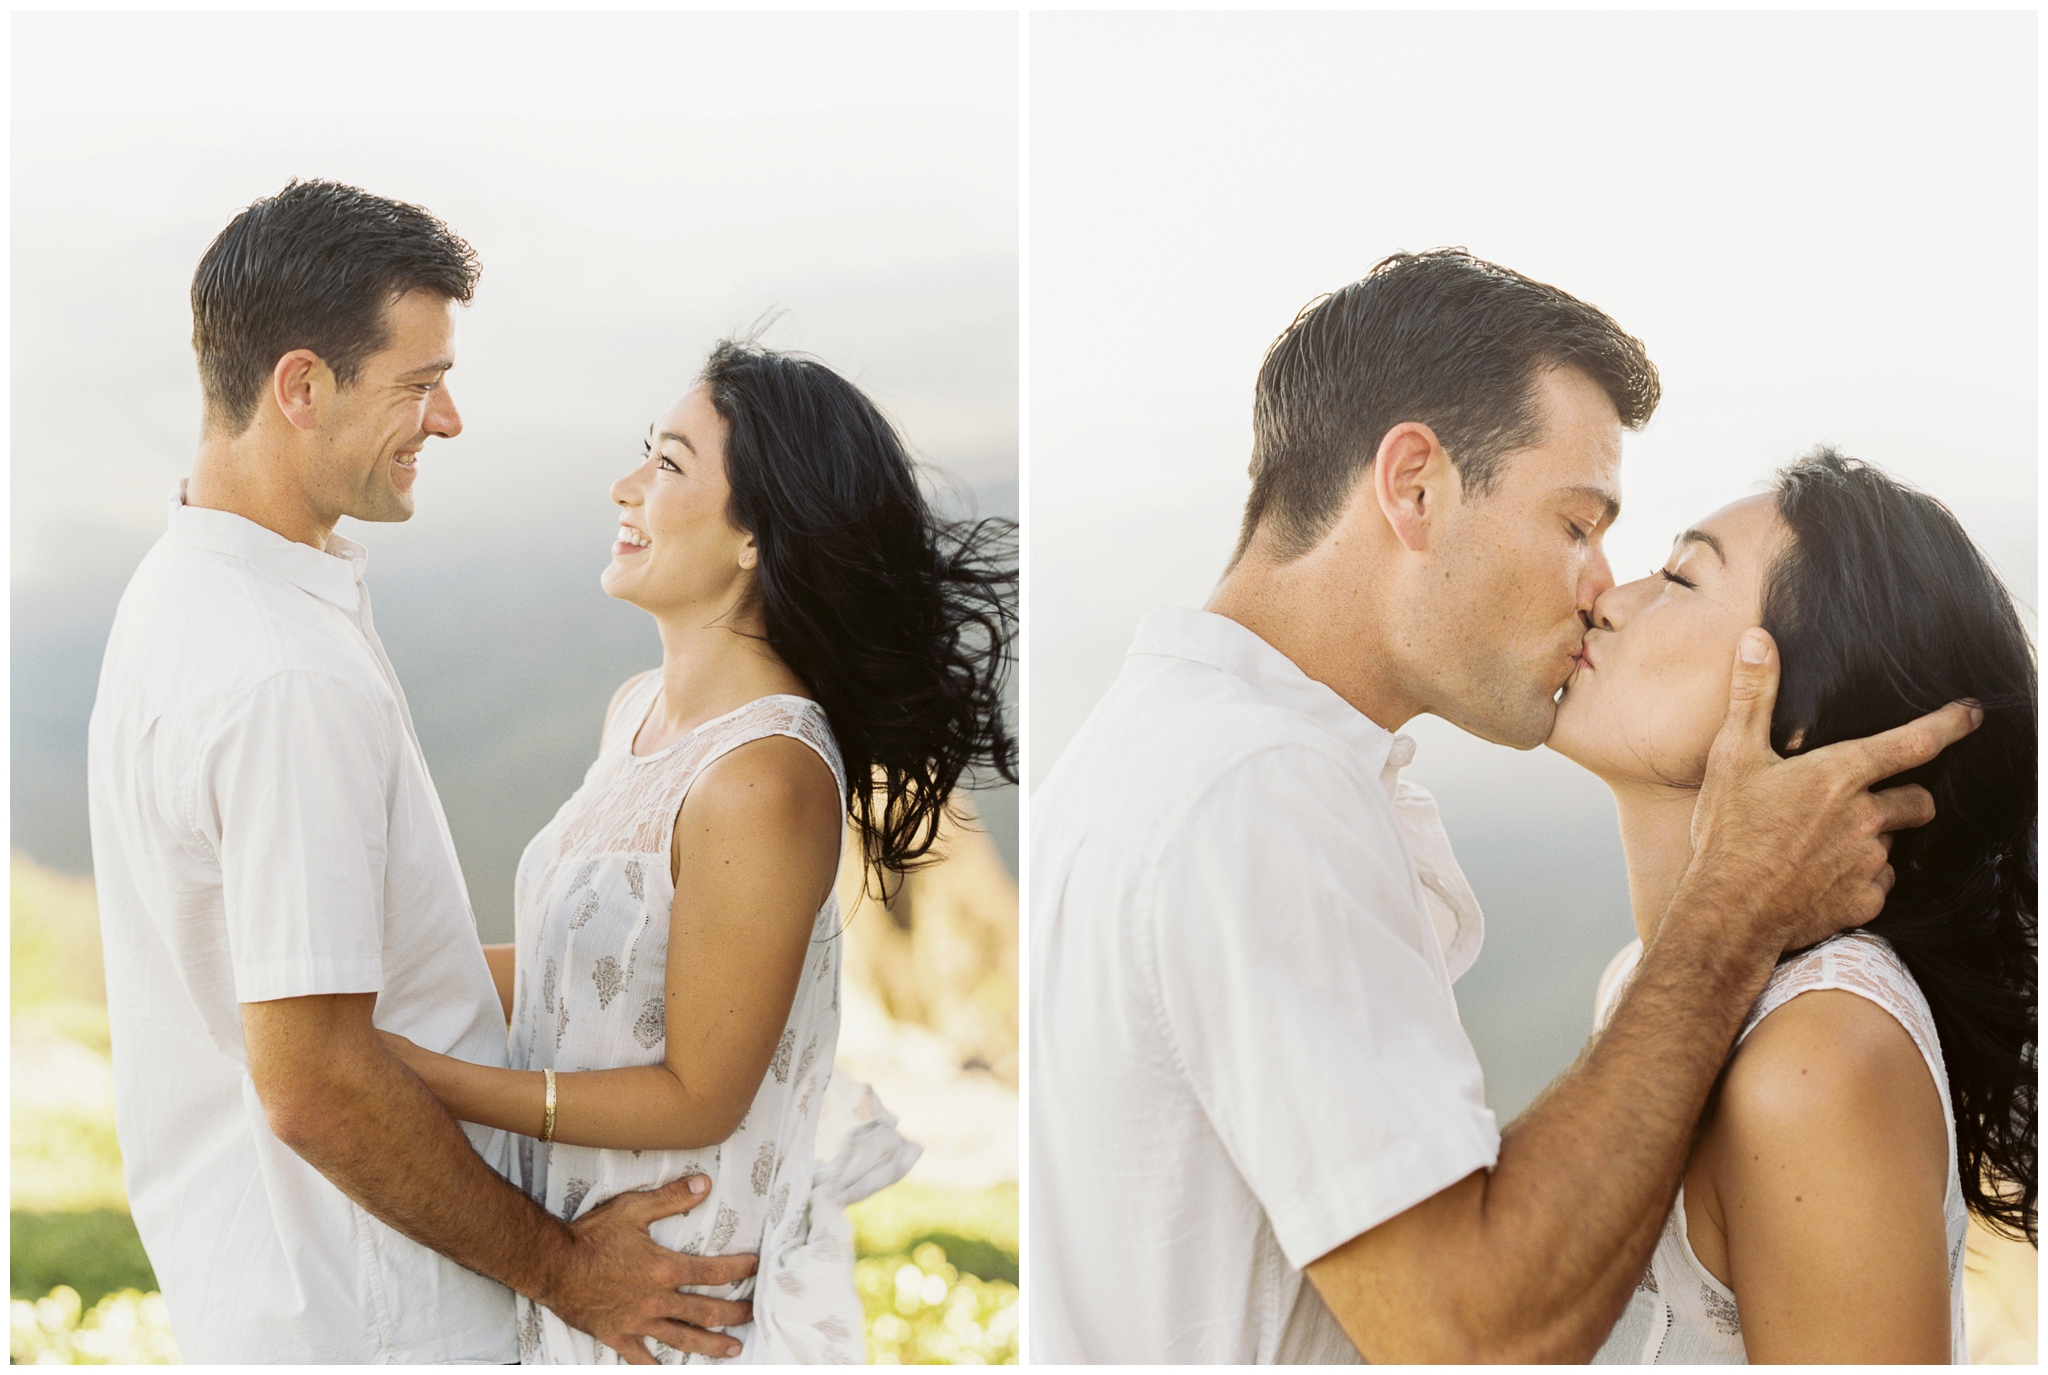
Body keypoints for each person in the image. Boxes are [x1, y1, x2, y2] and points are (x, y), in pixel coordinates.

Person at [1027, 249, 1981, 1362]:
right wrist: (1727, 916)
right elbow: (1473, 1334)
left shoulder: (1150, 750)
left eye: (1664, 571)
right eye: (1577, 524)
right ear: (1414, 486)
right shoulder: (1257, 792)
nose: (1600, 586)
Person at [88, 180, 753, 1363]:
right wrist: (568, 1273)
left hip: (269, 1298)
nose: (445, 421)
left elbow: (381, 976)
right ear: (301, 387)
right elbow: (315, 1079)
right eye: (417, 383)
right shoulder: (283, 673)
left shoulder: (184, 594)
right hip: (375, 1316)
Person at [378, 341, 1018, 1363]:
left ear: (757, 534)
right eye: (644, 454)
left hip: (684, 1297)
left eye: (669, 465)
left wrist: (412, 1075)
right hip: (587, 1271)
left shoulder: (766, 775)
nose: (625, 486)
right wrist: (372, 987)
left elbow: (699, 1090)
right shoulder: (635, 712)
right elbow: (568, 977)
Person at [1544, 448, 2036, 1363]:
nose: (1606, 599)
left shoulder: (1818, 1057)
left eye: (1681, 577)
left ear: (1801, 725)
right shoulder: (1643, 984)